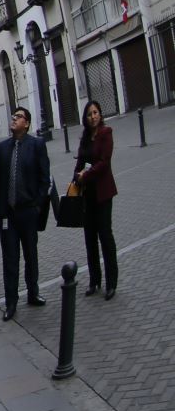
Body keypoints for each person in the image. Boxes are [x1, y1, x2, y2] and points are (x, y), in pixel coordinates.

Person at [0, 106, 52, 320]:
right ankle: (11, 302)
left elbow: (45, 179)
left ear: (27, 123)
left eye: (19, 117)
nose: (14, 119)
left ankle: (33, 293)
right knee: (10, 258)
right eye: (13, 116)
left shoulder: (36, 145)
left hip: (28, 211)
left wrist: (37, 206)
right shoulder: (3, 147)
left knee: (30, 255)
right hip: (8, 213)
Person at [74, 100, 120, 299]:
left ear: (100, 115)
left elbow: (104, 163)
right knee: (90, 239)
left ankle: (111, 283)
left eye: (95, 113)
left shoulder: (106, 133)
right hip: (87, 195)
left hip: (103, 193)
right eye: (89, 114)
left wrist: (86, 174)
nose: (93, 116)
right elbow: (80, 161)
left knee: (105, 237)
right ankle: (95, 281)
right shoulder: (85, 138)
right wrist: (76, 176)